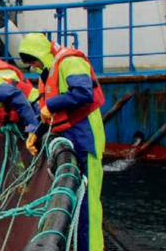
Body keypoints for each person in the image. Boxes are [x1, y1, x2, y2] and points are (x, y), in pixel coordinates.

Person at [18, 33, 105, 251]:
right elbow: (46, 110)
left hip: (86, 136)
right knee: (75, 202)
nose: (34, 67)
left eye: (34, 61)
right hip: (69, 135)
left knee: (88, 202)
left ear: (40, 54)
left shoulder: (69, 61)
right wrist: (36, 132)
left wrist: (52, 106)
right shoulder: (47, 73)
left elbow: (83, 92)